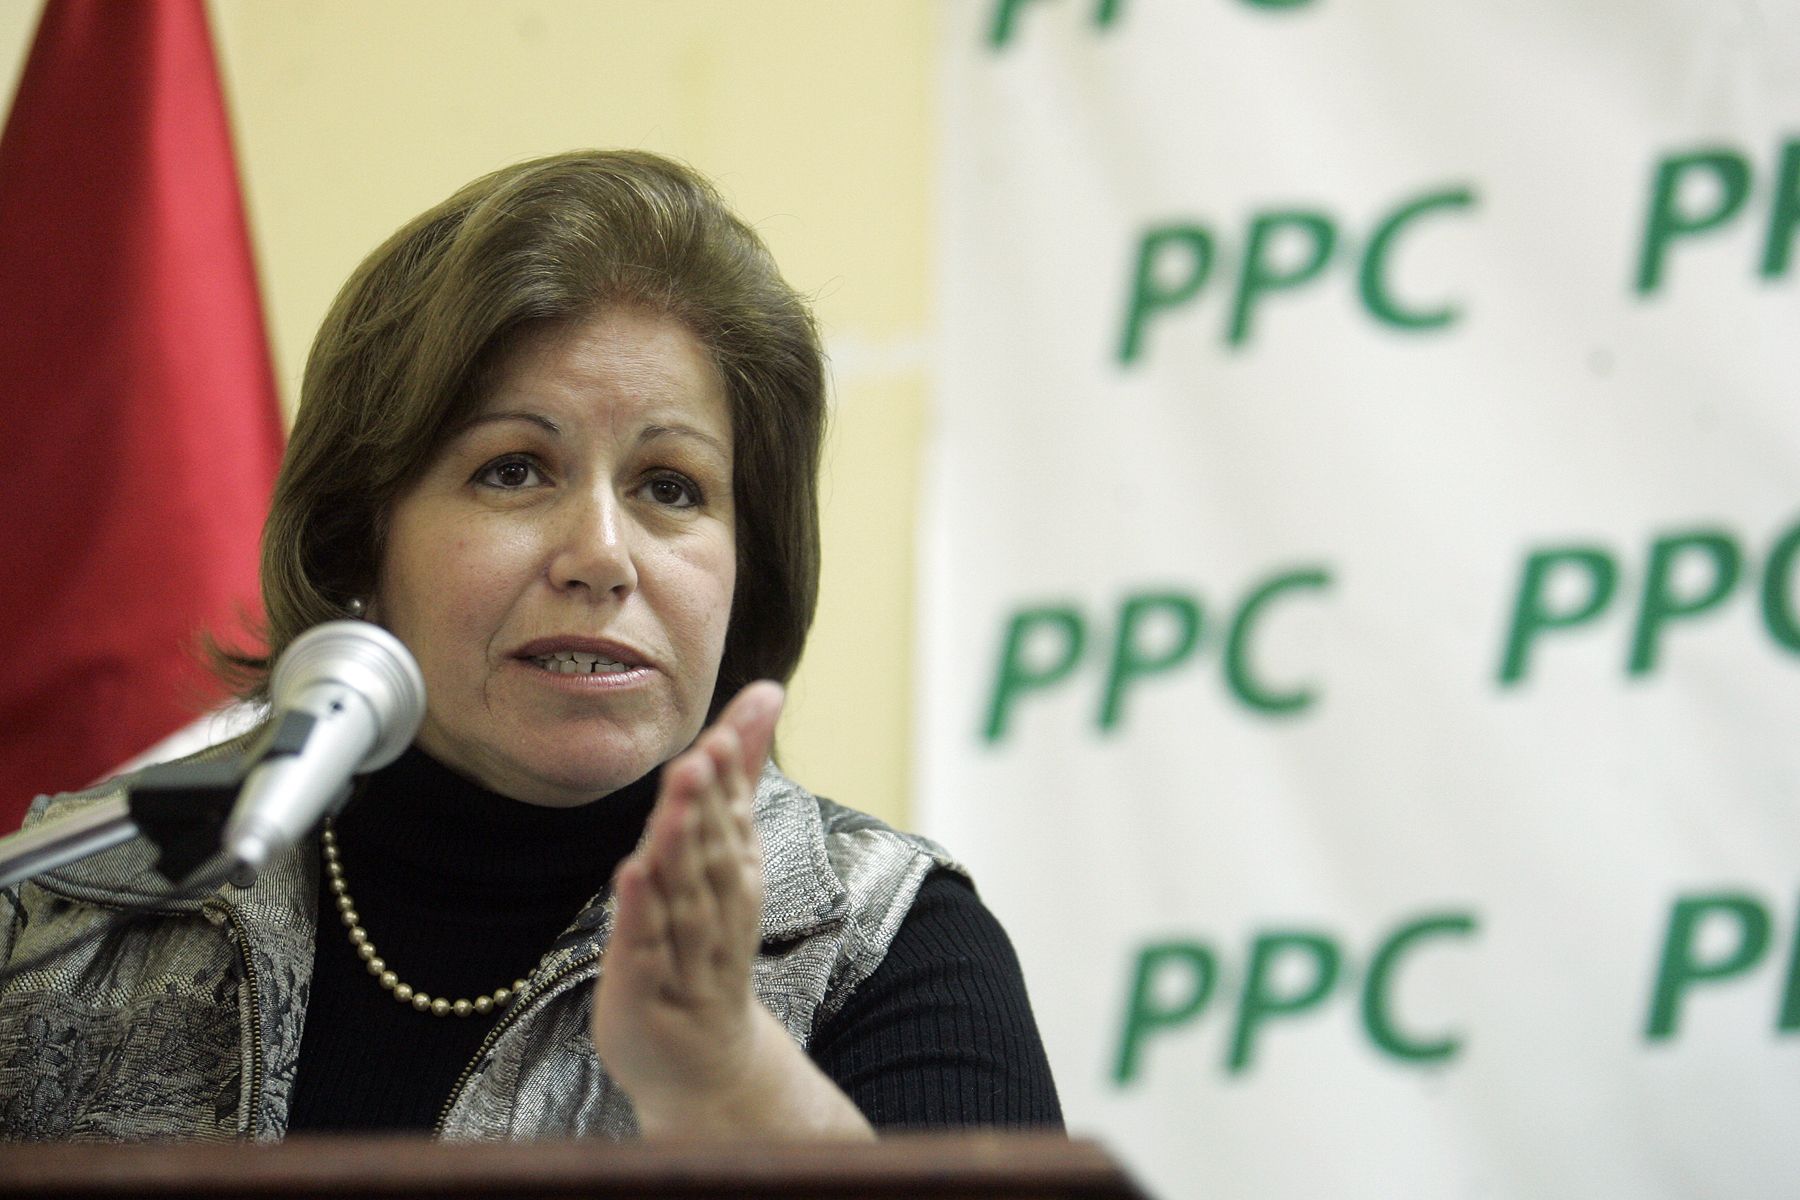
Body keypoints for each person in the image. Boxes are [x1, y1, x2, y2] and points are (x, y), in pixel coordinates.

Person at [0, 151, 1061, 1140]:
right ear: (359, 539)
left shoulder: (885, 950)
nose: (601, 555)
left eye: (670, 487)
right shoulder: (67, 909)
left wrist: (736, 1085)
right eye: (513, 470)